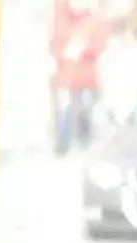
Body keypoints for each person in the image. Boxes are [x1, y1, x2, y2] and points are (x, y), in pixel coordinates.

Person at [50, 0, 110, 156]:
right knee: (67, 110)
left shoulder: (93, 17)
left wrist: (84, 48)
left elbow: (100, 43)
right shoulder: (62, 11)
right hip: (67, 79)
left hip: (84, 79)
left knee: (83, 110)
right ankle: (64, 145)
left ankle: (81, 143)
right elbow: (54, 43)